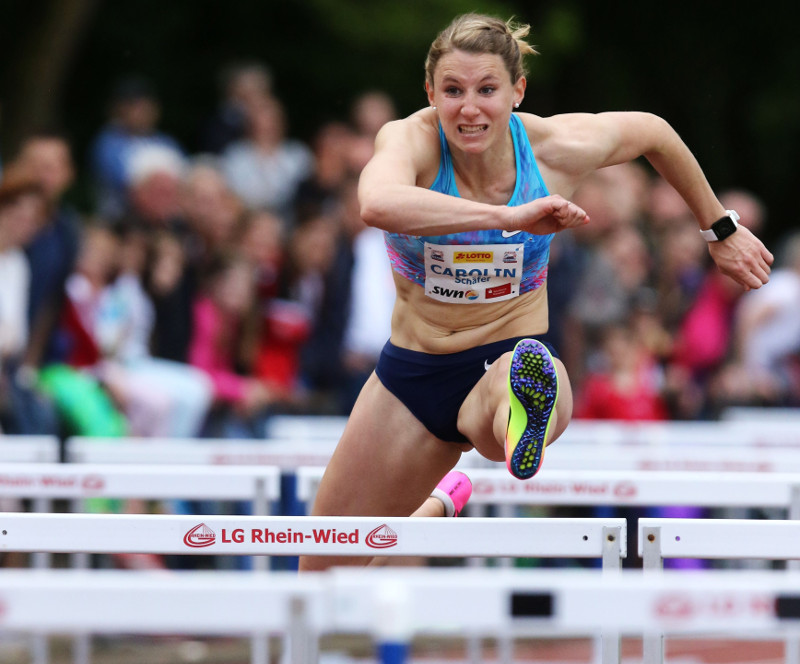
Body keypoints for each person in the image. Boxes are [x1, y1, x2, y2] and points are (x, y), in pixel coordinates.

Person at [300, 13, 773, 572]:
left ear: (518, 91)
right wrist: (508, 216)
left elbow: (655, 132)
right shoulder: (410, 139)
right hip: (410, 375)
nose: (468, 109)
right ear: (430, 93)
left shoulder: (556, 149)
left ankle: (519, 412)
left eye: (487, 90)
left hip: (505, 357)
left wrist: (719, 228)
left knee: (509, 400)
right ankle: (441, 503)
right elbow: (376, 202)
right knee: (322, 568)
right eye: (452, 91)